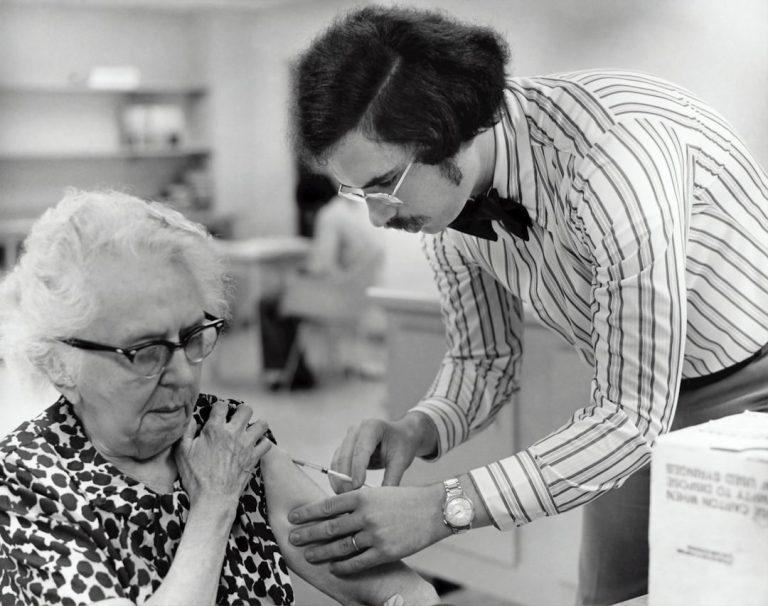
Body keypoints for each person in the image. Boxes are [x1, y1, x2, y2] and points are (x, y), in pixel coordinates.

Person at [284, 5, 768, 605]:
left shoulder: (614, 164)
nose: (377, 218)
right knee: (609, 596)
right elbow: (484, 359)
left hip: (754, 386)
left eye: (384, 184)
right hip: (634, 400)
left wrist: (445, 507)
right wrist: (419, 425)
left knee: (729, 592)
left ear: (455, 129)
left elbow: (628, 420)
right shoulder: (448, 207)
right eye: (356, 191)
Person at [0, 190, 439, 606]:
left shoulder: (220, 430)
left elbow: (380, 579)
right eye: (144, 351)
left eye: (192, 336)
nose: (181, 374)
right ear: (59, 365)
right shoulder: (23, 487)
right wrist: (214, 503)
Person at [259, 173, 384, 388]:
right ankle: (293, 370)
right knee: (283, 299)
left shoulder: (328, 216)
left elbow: (321, 266)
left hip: (335, 298)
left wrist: (299, 270)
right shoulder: (350, 209)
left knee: (269, 303)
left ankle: (283, 374)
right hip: (356, 296)